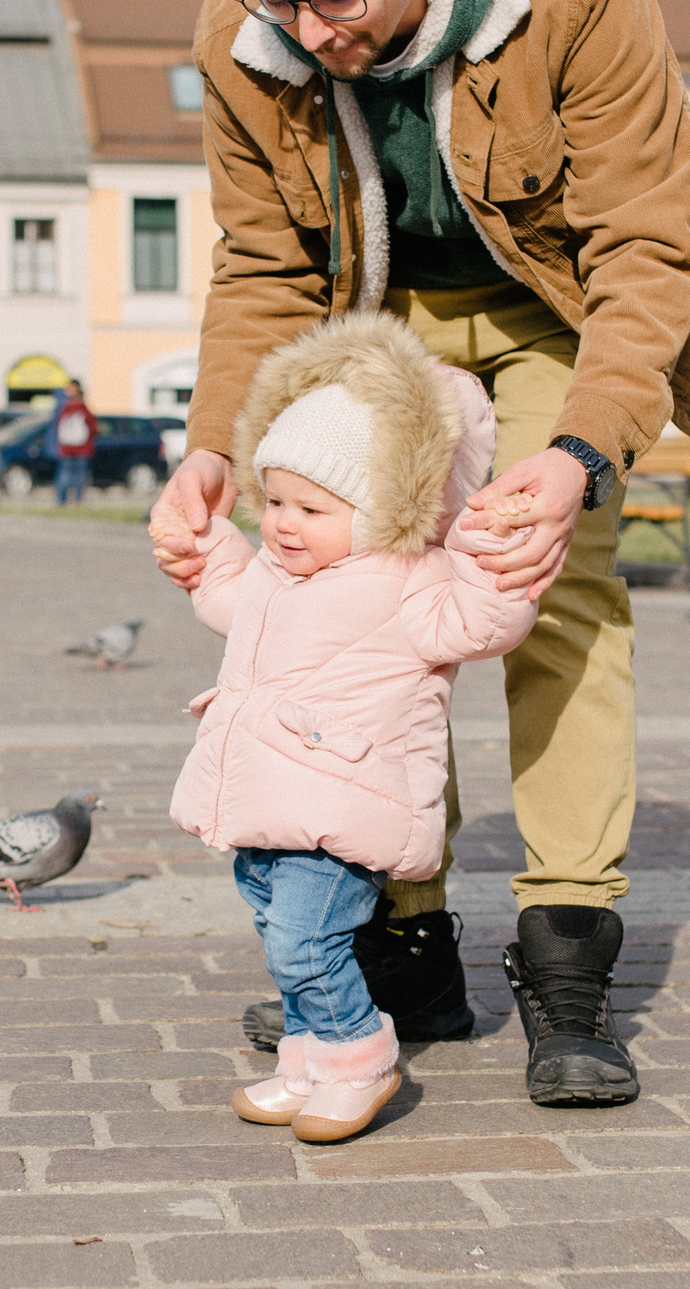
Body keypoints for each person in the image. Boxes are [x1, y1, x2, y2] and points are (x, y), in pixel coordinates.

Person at [150, 0, 690, 1108]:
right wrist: (215, 444)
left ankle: (567, 959)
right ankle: (403, 948)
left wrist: (581, 455)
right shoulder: (240, 27)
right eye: (281, 0)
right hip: (379, 319)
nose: (311, 31)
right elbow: (261, 260)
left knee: (548, 586)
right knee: (355, 593)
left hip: (555, 308)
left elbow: (648, 241)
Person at [158, 314, 538, 1142]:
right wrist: (204, 548)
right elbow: (230, 598)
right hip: (266, 803)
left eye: (313, 507)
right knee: (279, 936)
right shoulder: (275, 572)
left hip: (340, 811)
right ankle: (308, 1059)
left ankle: (359, 1058)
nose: (285, 523)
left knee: (308, 940)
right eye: (275, 502)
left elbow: (483, 620)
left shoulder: (410, 580)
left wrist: (490, 547)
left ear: (381, 509)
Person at [48, 382, 97, 506]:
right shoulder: (84, 410)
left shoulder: (64, 410)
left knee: (64, 474)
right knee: (79, 475)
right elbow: (93, 428)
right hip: (83, 448)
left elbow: (57, 428)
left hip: (66, 448)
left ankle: (61, 500)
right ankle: (77, 500)